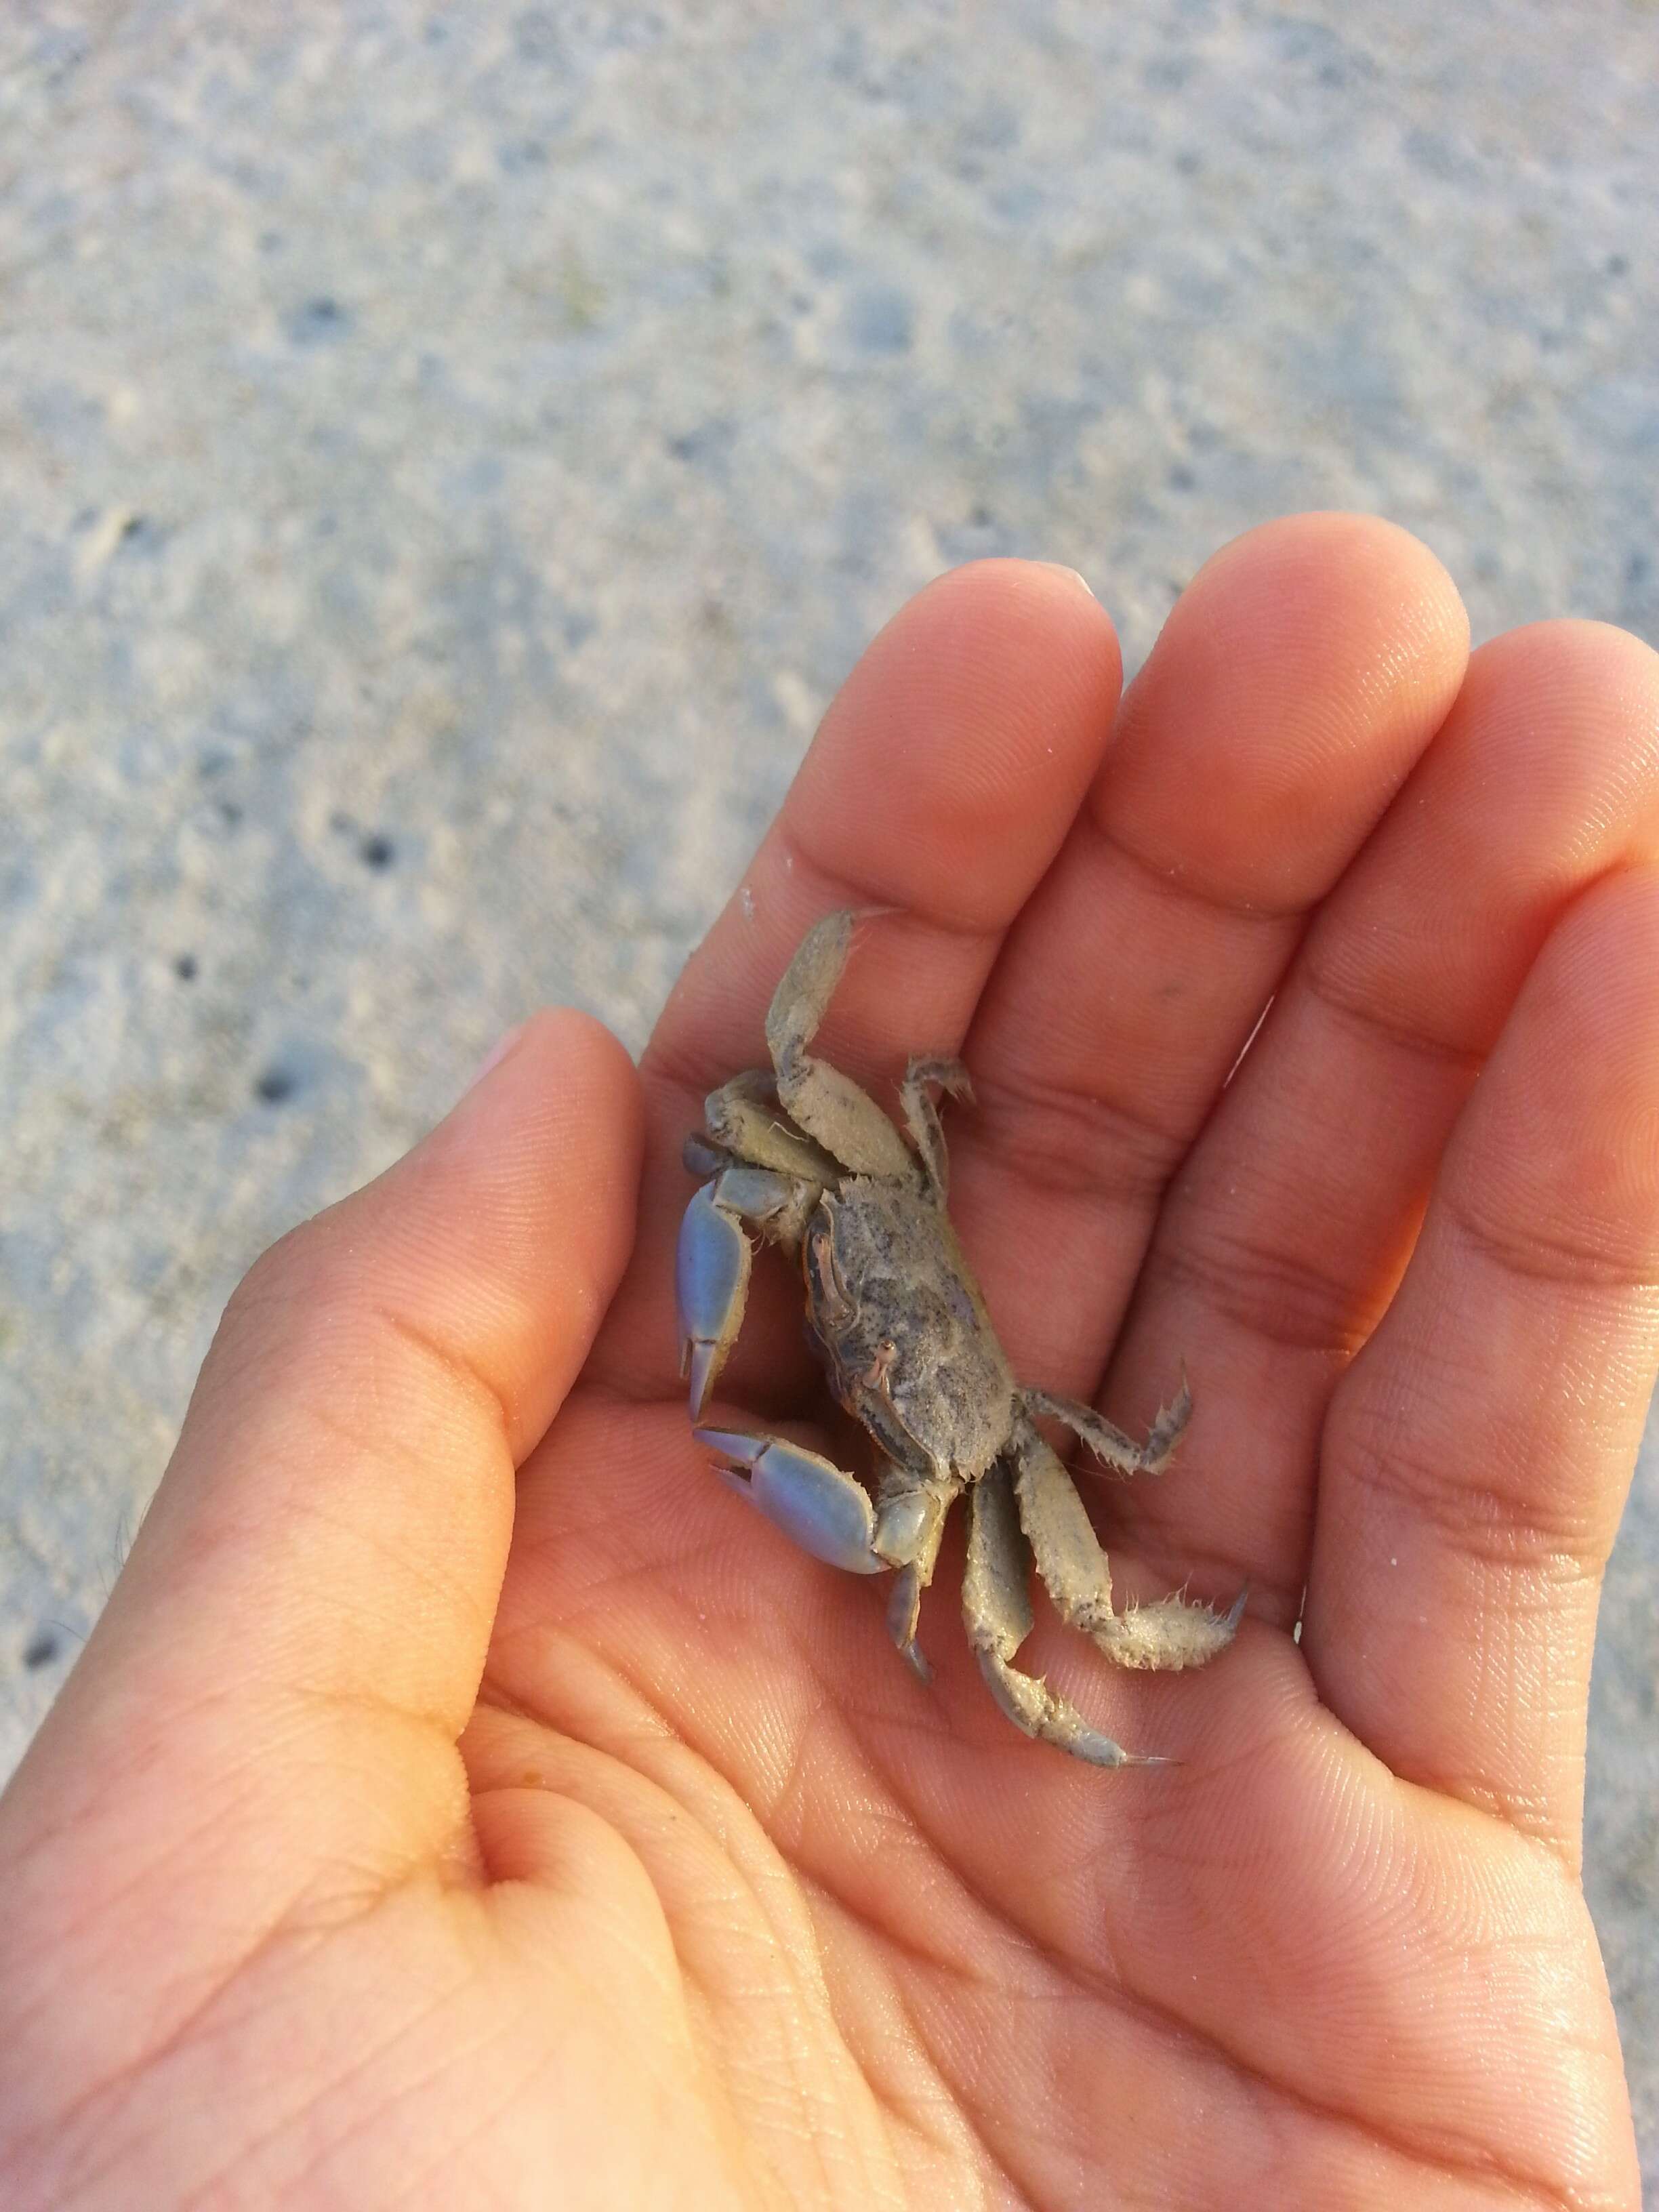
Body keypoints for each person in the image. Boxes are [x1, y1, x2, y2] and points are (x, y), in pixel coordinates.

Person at [0, 515, 1650, 2209]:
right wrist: (853, 1198)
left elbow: (1045, 1631)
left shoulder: (972, 1483)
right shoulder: (869, 1180)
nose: (848, 1373)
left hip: (985, 1415)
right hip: (891, 1222)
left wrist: (1119, 1537)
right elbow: (780, 1067)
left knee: (1047, 1627)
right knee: (751, 1116)